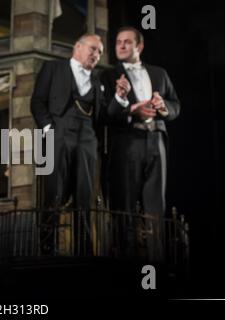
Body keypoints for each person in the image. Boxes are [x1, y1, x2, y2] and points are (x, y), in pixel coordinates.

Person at [101, 27, 180, 260]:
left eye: (127, 42)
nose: (122, 46)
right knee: (124, 202)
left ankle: (157, 259)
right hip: (128, 142)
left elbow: (175, 104)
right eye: (118, 42)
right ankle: (125, 260)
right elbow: (105, 114)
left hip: (156, 139)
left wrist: (163, 107)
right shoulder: (107, 75)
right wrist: (130, 107)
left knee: (156, 203)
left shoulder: (159, 73)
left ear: (140, 47)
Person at [31, 34, 105, 253]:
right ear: (78, 47)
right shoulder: (53, 68)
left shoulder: (99, 80)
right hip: (58, 134)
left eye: (100, 52)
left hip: (87, 139)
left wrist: (120, 97)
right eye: (93, 49)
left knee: (85, 195)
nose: (96, 55)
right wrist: (49, 129)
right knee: (53, 192)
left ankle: (84, 250)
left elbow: (103, 115)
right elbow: (37, 101)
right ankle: (47, 249)